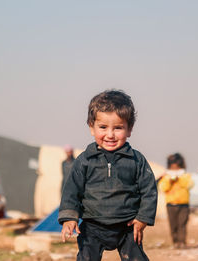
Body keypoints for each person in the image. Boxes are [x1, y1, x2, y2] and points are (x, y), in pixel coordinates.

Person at [58, 89, 158, 261]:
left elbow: (149, 190)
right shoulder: (84, 160)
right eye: (103, 127)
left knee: (136, 258)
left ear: (129, 129)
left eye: (118, 128)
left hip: (127, 225)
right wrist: (69, 217)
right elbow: (72, 190)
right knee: (86, 257)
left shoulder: (136, 160)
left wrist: (142, 219)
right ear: (91, 127)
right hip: (92, 225)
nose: (110, 135)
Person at [158, 153, 194, 249]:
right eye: (173, 168)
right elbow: (162, 188)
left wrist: (179, 180)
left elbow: (190, 185)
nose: (175, 170)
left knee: (182, 224)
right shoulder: (166, 177)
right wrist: (169, 182)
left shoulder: (186, 176)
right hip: (171, 205)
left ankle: (182, 242)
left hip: (184, 204)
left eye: (177, 168)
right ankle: (175, 242)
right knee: (173, 225)